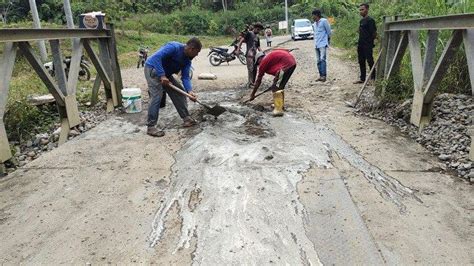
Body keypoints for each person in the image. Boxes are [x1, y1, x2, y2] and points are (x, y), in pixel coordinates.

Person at [144, 37, 202, 137]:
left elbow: (185, 77)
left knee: (180, 93)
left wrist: (190, 91)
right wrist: (162, 75)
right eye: (197, 52)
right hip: (152, 68)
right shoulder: (173, 47)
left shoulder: (187, 61)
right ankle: (151, 127)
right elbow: (156, 58)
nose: (197, 55)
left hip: (165, 74)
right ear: (191, 48)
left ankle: (186, 118)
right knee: (157, 96)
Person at [249, 49, 297, 117]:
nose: (258, 65)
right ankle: (280, 105)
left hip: (286, 65)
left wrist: (252, 94)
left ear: (260, 59)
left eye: (257, 63)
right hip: (292, 63)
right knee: (280, 87)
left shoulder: (263, 62)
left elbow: (258, 81)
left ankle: (278, 109)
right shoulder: (269, 58)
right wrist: (276, 79)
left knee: (275, 88)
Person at [236, 22, 264, 88]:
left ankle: (253, 82)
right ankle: (250, 83)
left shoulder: (257, 37)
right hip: (249, 55)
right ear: (254, 28)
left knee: (255, 69)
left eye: (259, 30)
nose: (258, 31)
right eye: (257, 29)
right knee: (250, 69)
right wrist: (238, 49)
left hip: (255, 55)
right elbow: (241, 40)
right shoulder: (249, 34)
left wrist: (262, 53)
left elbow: (258, 47)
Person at [354, 3, 377, 84]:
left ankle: (373, 78)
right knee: (361, 61)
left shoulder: (370, 20)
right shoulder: (361, 21)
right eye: (360, 10)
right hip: (361, 45)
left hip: (368, 45)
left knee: (370, 60)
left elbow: (374, 33)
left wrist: (370, 42)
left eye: (362, 9)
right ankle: (362, 78)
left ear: (367, 9)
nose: (361, 11)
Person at [312, 9, 332, 82]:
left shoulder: (324, 21)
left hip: (323, 44)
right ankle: (320, 76)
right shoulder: (314, 24)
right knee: (318, 61)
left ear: (317, 15)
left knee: (322, 59)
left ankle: (324, 76)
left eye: (313, 15)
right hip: (316, 44)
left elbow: (329, 32)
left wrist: (328, 42)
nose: (312, 17)